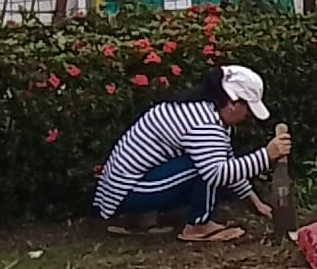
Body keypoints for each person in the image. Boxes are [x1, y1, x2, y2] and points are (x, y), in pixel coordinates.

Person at [94, 65, 288, 243]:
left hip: (124, 189)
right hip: (129, 192)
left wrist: (256, 204)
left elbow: (225, 160)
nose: (248, 116)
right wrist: (266, 156)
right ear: (232, 103)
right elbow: (217, 173)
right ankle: (198, 226)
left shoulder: (202, 110)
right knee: (202, 168)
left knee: (207, 163)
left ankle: (139, 219)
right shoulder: (204, 124)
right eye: (248, 109)